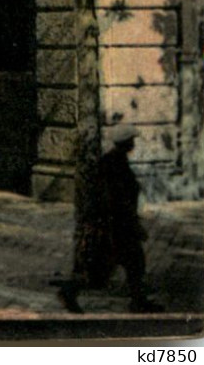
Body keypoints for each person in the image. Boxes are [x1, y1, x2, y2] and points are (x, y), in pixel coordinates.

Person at [59, 125, 161, 313]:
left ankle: (138, 301)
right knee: (108, 267)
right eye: (131, 141)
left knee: (131, 263)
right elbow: (115, 198)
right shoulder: (114, 163)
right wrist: (132, 223)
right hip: (114, 226)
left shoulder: (115, 160)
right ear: (125, 143)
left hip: (116, 224)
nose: (133, 144)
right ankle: (69, 291)